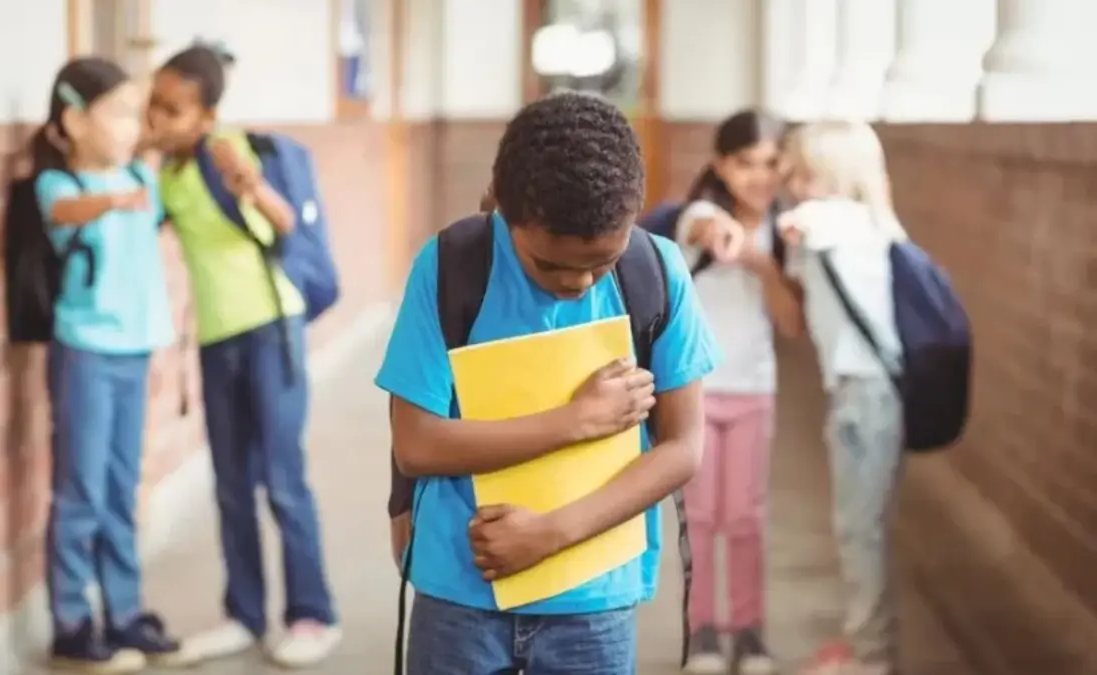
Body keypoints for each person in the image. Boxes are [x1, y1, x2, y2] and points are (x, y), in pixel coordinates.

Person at [376, 91, 720, 675]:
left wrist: (551, 533)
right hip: (462, 590)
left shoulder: (655, 274)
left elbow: (682, 447)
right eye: (550, 264)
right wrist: (576, 421)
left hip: (595, 598)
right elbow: (416, 444)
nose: (580, 282)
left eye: (601, 261)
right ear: (504, 209)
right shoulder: (452, 266)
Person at [145, 43, 340, 667]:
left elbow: (286, 224)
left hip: (269, 330)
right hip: (216, 341)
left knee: (282, 481)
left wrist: (251, 185)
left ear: (204, 113)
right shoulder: (170, 170)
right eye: (152, 105)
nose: (156, 119)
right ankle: (244, 613)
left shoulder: (227, 150)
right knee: (231, 486)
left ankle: (312, 615)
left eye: (170, 109)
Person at [32, 57, 189, 671]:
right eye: (117, 112)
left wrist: (137, 147)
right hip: (85, 355)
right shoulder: (61, 188)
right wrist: (113, 196)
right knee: (81, 491)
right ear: (72, 119)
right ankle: (73, 620)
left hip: (134, 352)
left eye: (135, 112)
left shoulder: (139, 179)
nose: (132, 125)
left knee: (122, 489)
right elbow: (67, 212)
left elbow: (143, 162)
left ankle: (123, 613)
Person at [670, 110, 803, 675]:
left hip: (753, 389)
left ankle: (748, 631)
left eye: (771, 163)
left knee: (745, 516)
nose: (758, 176)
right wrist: (725, 237)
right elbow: (705, 229)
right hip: (695, 393)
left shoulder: (789, 232)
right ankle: (701, 631)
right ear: (722, 166)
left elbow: (792, 325)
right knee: (699, 517)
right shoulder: (699, 213)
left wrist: (764, 265)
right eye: (744, 164)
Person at [780, 121, 907, 675]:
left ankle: (871, 658)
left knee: (860, 532)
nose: (791, 179)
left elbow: (796, 223)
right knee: (860, 527)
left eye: (801, 168)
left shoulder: (839, 219)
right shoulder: (862, 224)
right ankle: (863, 643)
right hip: (860, 393)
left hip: (866, 396)